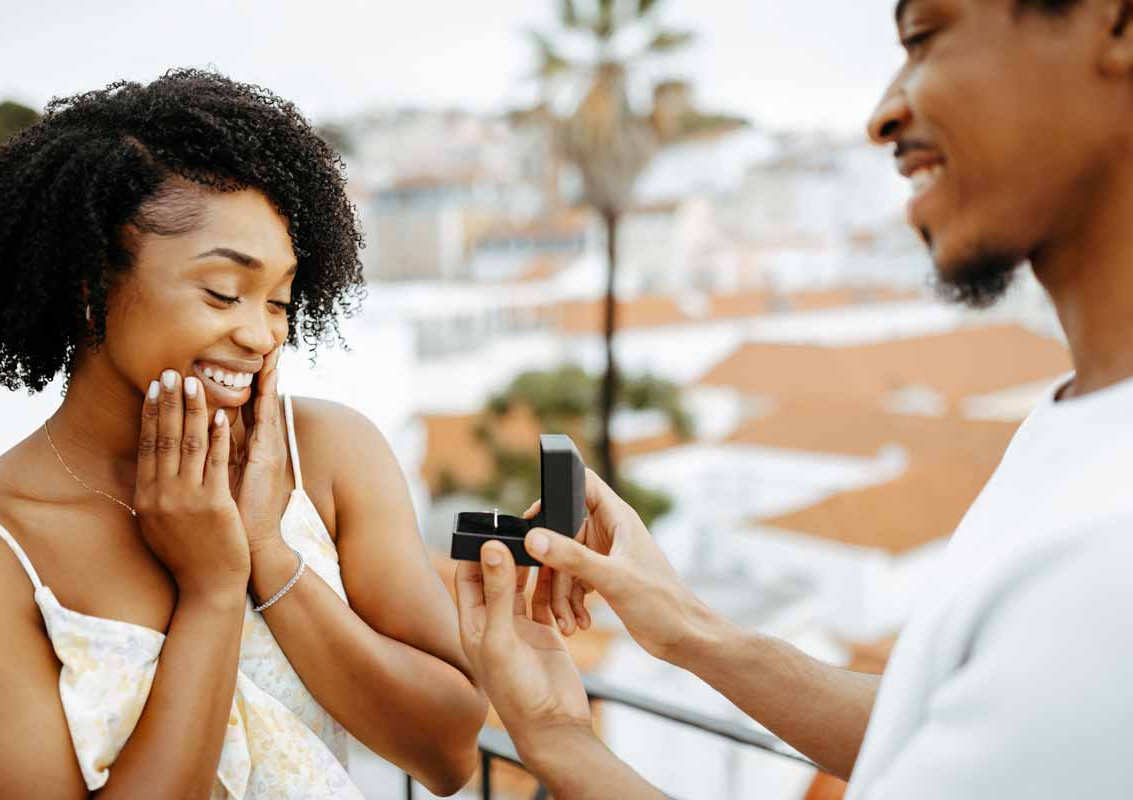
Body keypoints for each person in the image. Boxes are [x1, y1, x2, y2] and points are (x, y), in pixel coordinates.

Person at [455, 0, 1133, 797]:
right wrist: (684, 627)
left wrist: (560, 740)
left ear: (1115, 22)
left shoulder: (1111, 549)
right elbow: (949, 724)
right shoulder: (1081, 423)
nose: (885, 115)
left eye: (924, 38)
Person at [0, 69, 488, 799]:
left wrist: (268, 555)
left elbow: (449, 754)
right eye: (223, 292)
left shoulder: (326, 456)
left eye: (281, 300)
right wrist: (214, 591)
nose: (260, 334)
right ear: (90, 288)